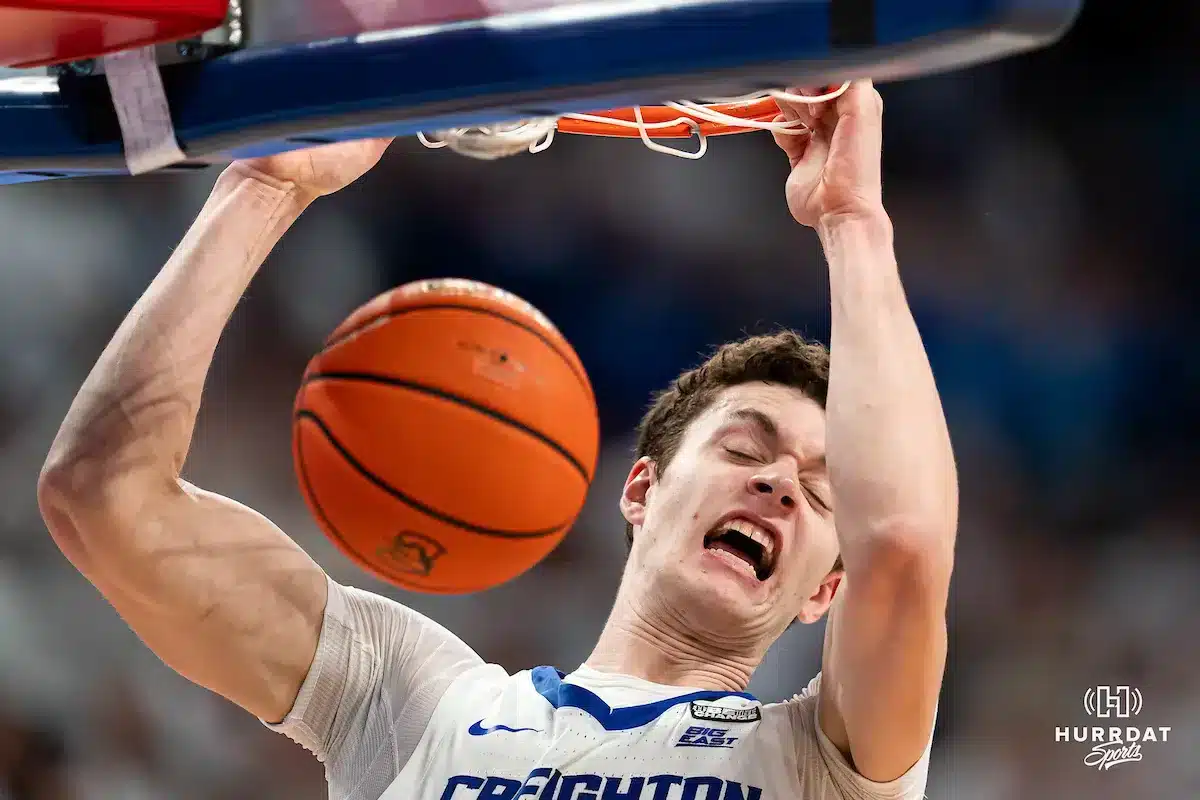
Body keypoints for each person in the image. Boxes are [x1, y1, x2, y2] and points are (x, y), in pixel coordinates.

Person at [37, 80, 955, 799]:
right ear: (638, 491)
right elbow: (103, 499)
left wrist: (853, 224)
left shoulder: (822, 767)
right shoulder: (415, 699)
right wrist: (266, 185)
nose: (781, 486)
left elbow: (907, 548)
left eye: (823, 490)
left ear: (827, 590)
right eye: (745, 451)